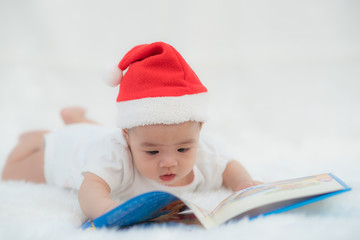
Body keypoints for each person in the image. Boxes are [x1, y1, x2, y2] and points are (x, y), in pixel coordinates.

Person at [1, 42, 260, 220]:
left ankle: (77, 119)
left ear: (199, 131)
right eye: (152, 151)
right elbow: (90, 188)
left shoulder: (203, 153)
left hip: (99, 136)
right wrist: (106, 208)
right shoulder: (114, 155)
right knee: (10, 172)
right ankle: (36, 138)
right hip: (69, 150)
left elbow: (227, 166)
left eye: (183, 149)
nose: (169, 161)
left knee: (99, 134)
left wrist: (243, 183)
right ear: (126, 138)